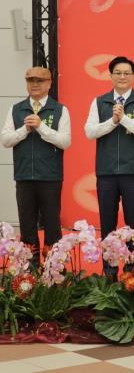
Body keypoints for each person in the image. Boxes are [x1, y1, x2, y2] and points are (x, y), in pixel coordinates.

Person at [84, 56, 134, 279]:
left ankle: (133, 273)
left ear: (133, 76)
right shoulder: (99, 102)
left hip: (133, 172)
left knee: (133, 224)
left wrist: (123, 119)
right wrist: (112, 121)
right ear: (111, 75)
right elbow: (90, 132)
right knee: (107, 223)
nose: (122, 76)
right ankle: (109, 271)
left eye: (126, 73)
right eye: (118, 72)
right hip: (106, 172)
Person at [0, 67, 71, 267]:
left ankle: (54, 271)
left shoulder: (60, 110)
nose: (35, 84)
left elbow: (65, 142)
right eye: (31, 80)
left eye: (40, 80)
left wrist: (41, 127)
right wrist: (25, 129)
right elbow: (5, 140)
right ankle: (30, 273)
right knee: (27, 226)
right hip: (24, 177)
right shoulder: (16, 109)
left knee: (52, 226)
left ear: (49, 84)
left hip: (50, 178)